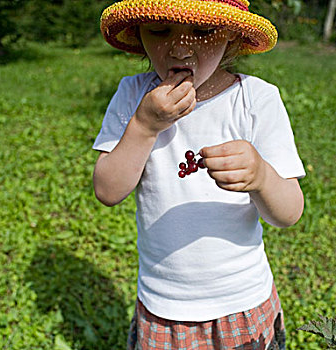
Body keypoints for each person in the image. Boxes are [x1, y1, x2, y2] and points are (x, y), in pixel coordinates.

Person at [93, 0, 305, 349]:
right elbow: (108, 189)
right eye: (160, 31)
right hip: (162, 304)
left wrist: (262, 177)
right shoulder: (134, 96)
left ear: (232, 37)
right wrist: (144, 126)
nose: (179, 47)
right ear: (139, 34)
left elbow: (289, 212)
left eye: (203, 31)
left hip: (241, 301)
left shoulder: (255, 100)